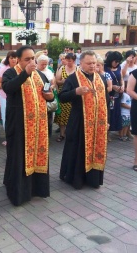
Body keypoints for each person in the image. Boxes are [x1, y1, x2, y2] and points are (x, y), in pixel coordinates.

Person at [2, 45, 53, 206]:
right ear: (18, 60)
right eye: (27, 59)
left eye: (33, 59)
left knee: (38, 155)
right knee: (18, 156)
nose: (31, 62)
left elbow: (48, 95)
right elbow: (8, 88)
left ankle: (37, 188)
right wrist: (25, 73)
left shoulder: (40, 75)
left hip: (38, 125)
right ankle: (19, 192)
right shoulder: (10, 72)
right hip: (19, 124)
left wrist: (50, 96)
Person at [58, 51, 108, 189]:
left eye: (94, 63)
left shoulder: (101, 78)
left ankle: (92, 179)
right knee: (77, 149)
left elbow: (106, 100)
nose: (92, 66)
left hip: (98, 122)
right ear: (81, 63)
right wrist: (76, 92)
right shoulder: (73, 78)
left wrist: (107, 120)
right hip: (79, 121)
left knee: (95, 148)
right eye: (89, 63)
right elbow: (62, 97)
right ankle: (76, 179)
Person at [0, 51, 18, 145]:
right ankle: (8, 138)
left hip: (16, 97)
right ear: (8, 59)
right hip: (5, 96)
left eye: (15, 57)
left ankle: (16, 136)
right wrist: (7, 87)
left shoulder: (19, 69)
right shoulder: (3, 69)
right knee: (6, 117)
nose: (13, 60)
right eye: (11, 58)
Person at [54, 53, 77, 142]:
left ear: (74, 61)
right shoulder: (62, 68)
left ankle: (71, 134)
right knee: (62, 116)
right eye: (67, 60)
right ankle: (62, 134)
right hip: (63, 95)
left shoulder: (78, 69)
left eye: (70, 61)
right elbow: (57, 81)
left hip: (73, 96)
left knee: (72, 116)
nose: (68, 62)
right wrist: (63, 81)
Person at [104, 51, 124, 140]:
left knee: (116, 112)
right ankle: (106, 134)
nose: (117, 63)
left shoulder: (119, 67)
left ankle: (115, 130)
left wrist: (123, 86)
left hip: (117, 94)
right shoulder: (105, 68)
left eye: (119, 61)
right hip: (108, 94)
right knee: (108, 113)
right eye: (115, 61)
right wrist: (112, 86)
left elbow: (121, 78)